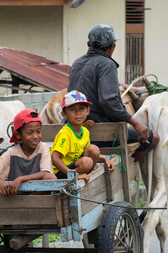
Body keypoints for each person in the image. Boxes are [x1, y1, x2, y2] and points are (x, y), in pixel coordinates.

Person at [67, 24, 159, 161]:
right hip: (100, 133)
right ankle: (130, 164)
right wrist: (135, 123)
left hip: (75, 130)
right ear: (112, 46)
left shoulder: (76, 63)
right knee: (154, 138)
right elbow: (108, 101)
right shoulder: (107, 64)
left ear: (88, 44)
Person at [0, 109, 56, 197]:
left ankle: (25, 205)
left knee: (50, 178)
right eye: (30, 133)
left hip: (34, 197)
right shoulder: (12, 152)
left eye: (38, 131)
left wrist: (21, 179)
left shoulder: (43, 148)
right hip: (12, 197)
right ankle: (8, 206)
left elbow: (46, 173)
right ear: (18, 135)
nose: (35, 136)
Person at [51, 90, 115, 182]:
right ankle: (75, 178)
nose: (78, 113)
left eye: (81, 108)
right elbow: (55, 158)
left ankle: (86, 176)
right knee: (86, 162)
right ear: (64, 114)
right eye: (72, 109)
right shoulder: (65, 134)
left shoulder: (85, 131)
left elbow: (86, 154)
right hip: (61, 172)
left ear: (87, 111)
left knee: (94, 149)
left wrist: (105, 159)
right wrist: (72, 175)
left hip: (76, 166)